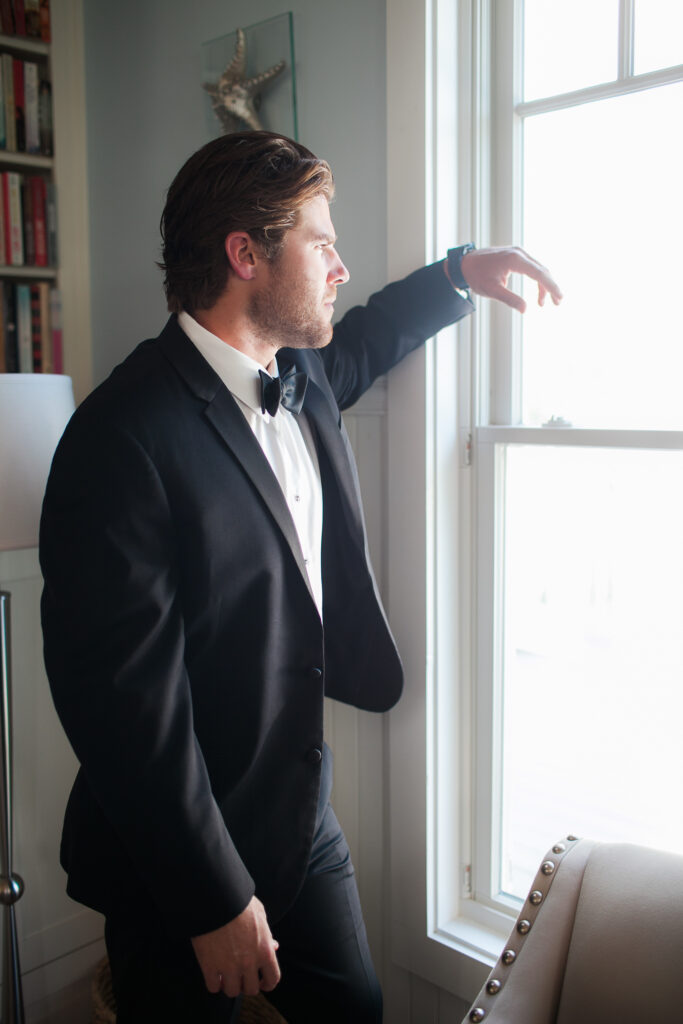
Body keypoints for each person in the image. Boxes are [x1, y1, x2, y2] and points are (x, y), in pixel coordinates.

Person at [39, 131, 561, 1024]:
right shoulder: (119, 438)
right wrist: (211, 898)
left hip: (298, 812)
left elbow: (366, 340)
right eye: (321, 242)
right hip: (174, 847)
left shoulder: (303, 374)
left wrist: (458, 276)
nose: (340, 265)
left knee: (354, 1009)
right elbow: (123, 709)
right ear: (246, 255)